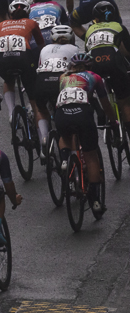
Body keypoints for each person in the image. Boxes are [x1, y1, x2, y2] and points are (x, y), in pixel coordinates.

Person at [55, 54, 115, 216]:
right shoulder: (95, 77)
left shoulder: (63, 77)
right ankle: (95, 201)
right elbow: (105, 104)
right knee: (90, 156)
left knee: (65, 137)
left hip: (62, 113)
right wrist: (113, 121)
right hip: (83, 113)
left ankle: (65, 159)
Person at [0, 1, 46, 122]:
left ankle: (11, 113)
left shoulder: (1, 24)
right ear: (28, 13)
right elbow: (42, 47)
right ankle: (44, 136)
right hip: (23, 58)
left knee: (8, 80)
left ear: (10, 13)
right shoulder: (32, 22)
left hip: (2, 60)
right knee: (32, 92)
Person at [32, 25, 80, 152]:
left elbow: (39, 67)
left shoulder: (45, 49)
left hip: (42, 80)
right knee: (65, 110)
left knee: (41, 110)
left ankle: (44, 138)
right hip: (61, 80)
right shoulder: (75, 48)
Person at [84, 0, 130, 126]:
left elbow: (86, 51)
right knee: (125, 101)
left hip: (95, 62)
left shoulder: (90, 30)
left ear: (96, 18)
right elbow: (128, 51)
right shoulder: (118, 27)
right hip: (113, 61)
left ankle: (100, 112)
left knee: (91, 90)